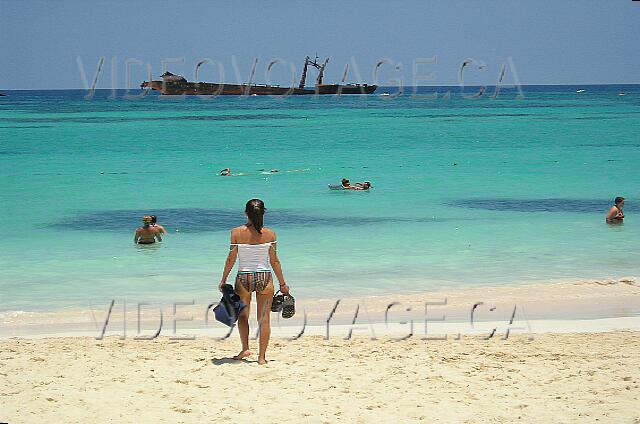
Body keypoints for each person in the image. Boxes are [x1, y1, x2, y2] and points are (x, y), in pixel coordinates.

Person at [218, 199, 290, 365]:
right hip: (265, 277)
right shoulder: (270, 234)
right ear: (264, 212)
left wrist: (223, 280)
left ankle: (245, 348)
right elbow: (274, 261)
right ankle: (262, 357)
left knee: (243, 316)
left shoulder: (236, 232)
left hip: (244, 277)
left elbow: (231, 258)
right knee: (264, 319)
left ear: (245, 213)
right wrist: (283, 284)